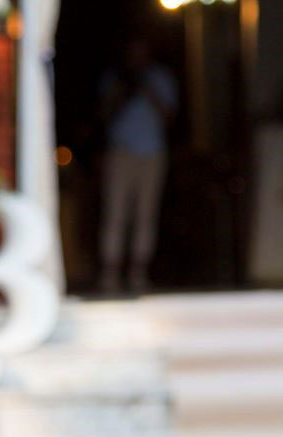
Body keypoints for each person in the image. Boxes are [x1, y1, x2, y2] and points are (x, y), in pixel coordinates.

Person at [98, 39, 176, 294]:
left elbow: (169, 117)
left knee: (146, 213)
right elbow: (104, 115)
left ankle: (138, 272)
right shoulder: (115, 78)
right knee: (115, 212)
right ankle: (110, 272)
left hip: (152, 153)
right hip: (120, 152)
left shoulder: (160, 78)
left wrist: (146, 90)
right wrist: (124, 90)